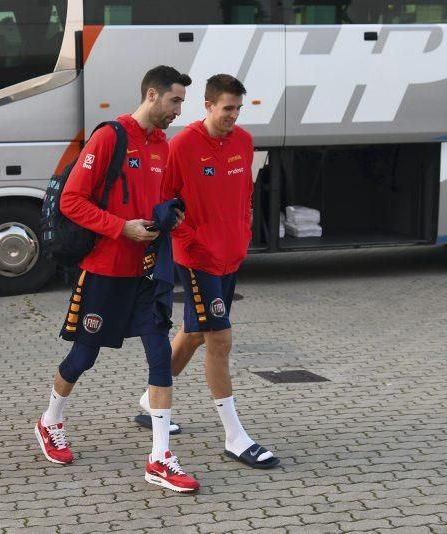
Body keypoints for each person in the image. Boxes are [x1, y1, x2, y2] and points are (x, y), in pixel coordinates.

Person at [34, 66, 199, 493]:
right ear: (151, 94)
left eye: (182, 102)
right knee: (82, 358)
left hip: (147, 274)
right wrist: (120, 227)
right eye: (174, 101)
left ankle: (160, 457)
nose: (178, 111)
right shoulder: (111, 136)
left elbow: (158, 200)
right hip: (105, 272)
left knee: (160, 357)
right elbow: (72, 201)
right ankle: (50, 420)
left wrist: (170, 215)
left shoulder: (164, 146)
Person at [152, 74, 280, 469]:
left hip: (230, 256)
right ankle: (235, 436)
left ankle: (149, 397)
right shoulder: (183, 145)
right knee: (219, 339)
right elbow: (163, 204)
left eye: (238, 109)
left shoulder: (243, 141)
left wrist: (242, 236)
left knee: (194, 333)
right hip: (198, 259)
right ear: (207, 106)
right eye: (227, 109)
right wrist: (191, 242)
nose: (233, 117)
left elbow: (246, 196)